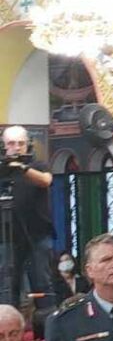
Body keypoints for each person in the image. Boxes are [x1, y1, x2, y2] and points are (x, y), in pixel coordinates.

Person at [2, 127, 55, 307]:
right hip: (7, 238)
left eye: (21, 143)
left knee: (42, 282)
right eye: (11, 143)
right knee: (8, 285)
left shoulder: (37, 165)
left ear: (28, 144)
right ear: (3, 146)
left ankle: (46, 320)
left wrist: (22, 168)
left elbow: (46, 180)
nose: (16, 147)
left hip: (37, 234)